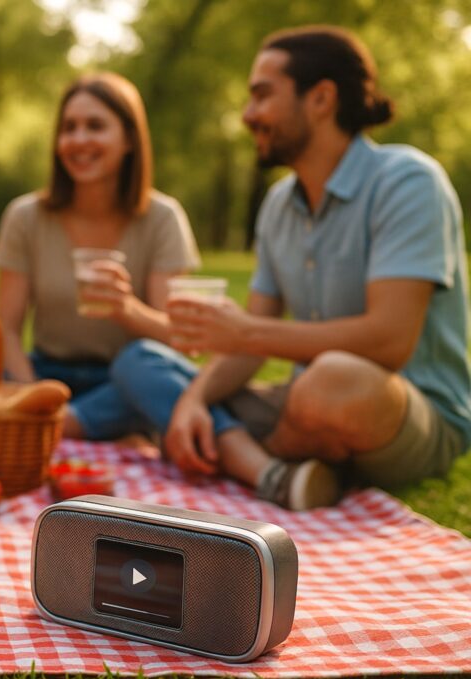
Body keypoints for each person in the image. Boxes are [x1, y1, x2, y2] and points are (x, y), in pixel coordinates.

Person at [112, 25, 471, 510]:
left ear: (321, 98)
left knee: (330, 380)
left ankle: (245, 453)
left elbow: (390, 339)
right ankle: (273, 469)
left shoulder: (407, 183)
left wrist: (247, 335)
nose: (248, 114)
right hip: (305, 406)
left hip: (408, 413)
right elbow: (248, 346)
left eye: (262, 96)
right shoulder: (279, 203)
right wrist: (196, 398)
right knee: (140, 360)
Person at [0, 72, 200, 443]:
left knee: (148, 375)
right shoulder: (25, 216)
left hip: (122, 382)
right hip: (44, 375)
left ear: (130, 139)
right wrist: (32, 394)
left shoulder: (162, 218)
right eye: (69, 127)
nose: (79, 140)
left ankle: (61, 426)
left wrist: (127, 308)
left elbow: (177, 338)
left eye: (96, 126)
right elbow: (6, 329)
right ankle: (67, 423)